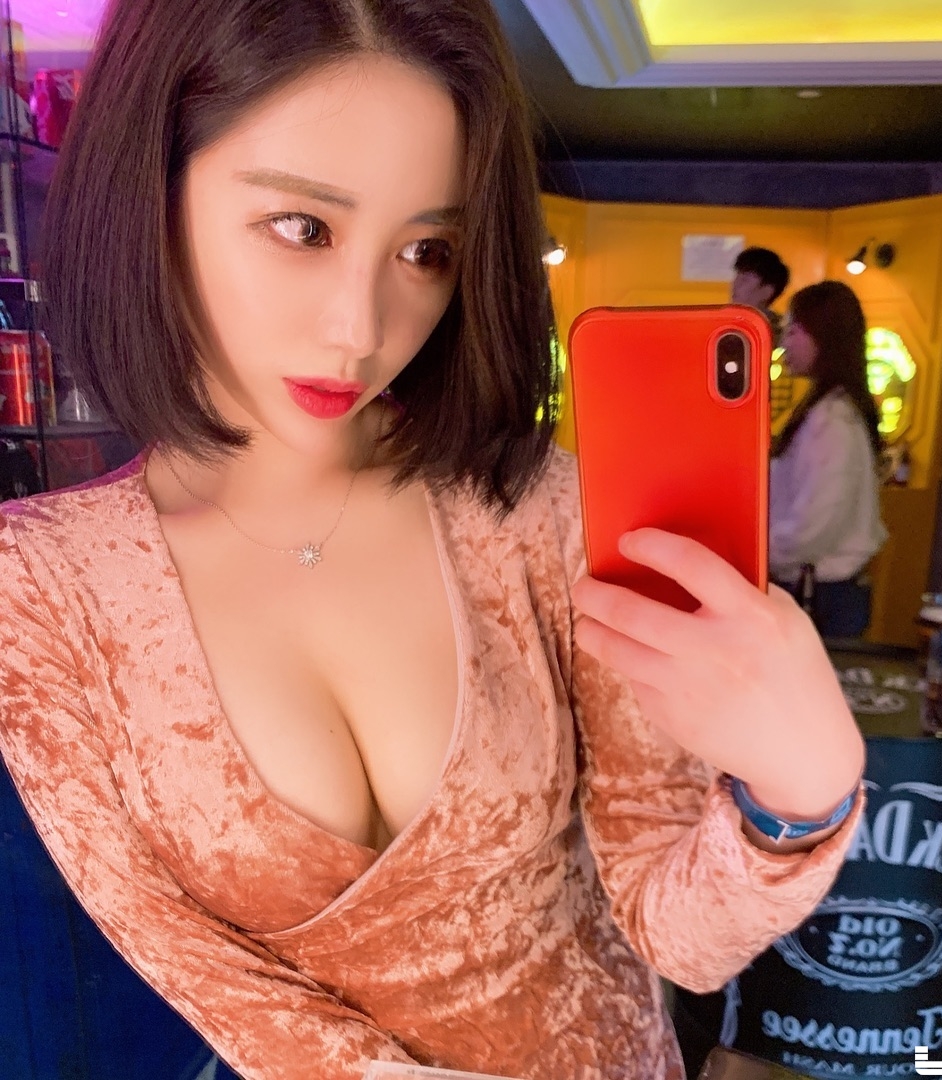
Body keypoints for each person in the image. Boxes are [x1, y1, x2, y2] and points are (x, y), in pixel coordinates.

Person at [0, 3, 866, 1078]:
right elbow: (233, 999)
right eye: (302, 228)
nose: (362, 329)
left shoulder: (532, 507)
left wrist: (801, 794)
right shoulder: (40, 586)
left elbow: (676, 937)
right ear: (152, 191)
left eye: (426, 250)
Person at [769, 281, 887, 638]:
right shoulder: (830, 410)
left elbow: (812, 525)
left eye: (793, 331)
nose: (784, 344)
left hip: (821, 594)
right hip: (820, 590)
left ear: (824, 336)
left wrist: (756, 552)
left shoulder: (833, 420)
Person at [730, 246, 790, 346]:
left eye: (745, 280)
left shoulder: (781, 337)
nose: (735, 284)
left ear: (767, 291)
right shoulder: (724, 326)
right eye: (736, 277)